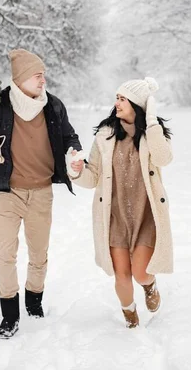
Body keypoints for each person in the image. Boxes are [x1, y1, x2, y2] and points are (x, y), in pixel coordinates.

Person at [0, 49, 84, 338]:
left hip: (41, 192)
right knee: (6, 254)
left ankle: (34, 303)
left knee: (39, 253)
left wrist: (73, 153)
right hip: (7, 192)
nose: (43, 80)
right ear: (21, 79)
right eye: (37, 75)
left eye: (43, 74)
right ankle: (9, 316)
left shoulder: (53, 106)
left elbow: (68, 136)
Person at [69, 77, 173, 328]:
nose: (116, 103)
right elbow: (93, 176)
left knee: (140, 271)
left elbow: (163, 158)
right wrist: (75, 171)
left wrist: (151, 123)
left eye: (122, 99)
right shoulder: (105, 136)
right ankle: (129, 314)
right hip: (114, 216)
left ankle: (149, 285)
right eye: (116, 97)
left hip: (146, 215)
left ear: (137, 105)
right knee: (122, 274)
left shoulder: (152, 135)